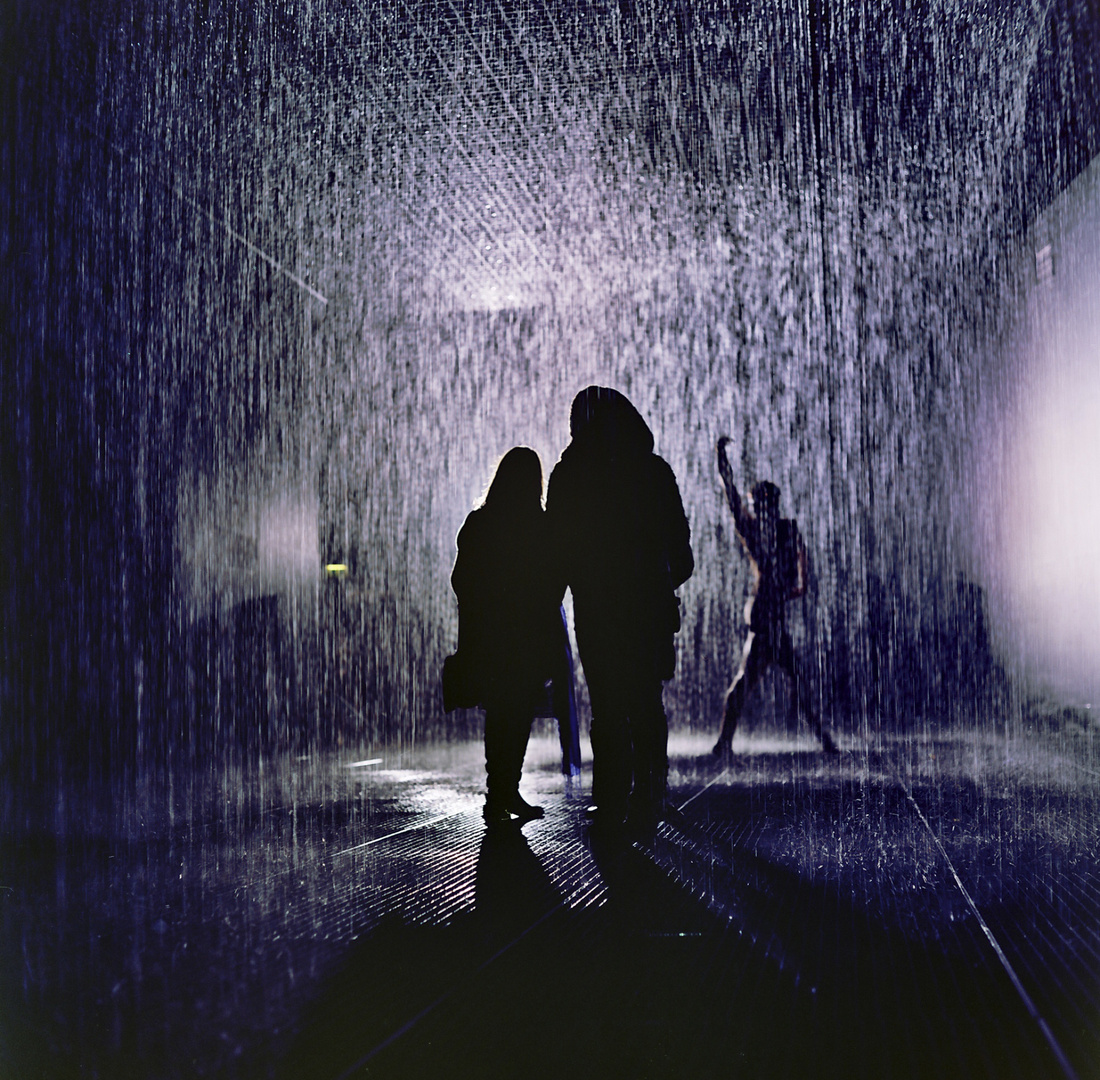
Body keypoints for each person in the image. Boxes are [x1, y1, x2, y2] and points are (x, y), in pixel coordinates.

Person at [546, 387, 694, 832]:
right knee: (647, 702)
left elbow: (558, 552)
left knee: (607, 705)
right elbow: (682, 555)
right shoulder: (653, 472)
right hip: (648, 610)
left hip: (595, 609)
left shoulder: (568, 475)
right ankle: (651, 792)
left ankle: (609, 797)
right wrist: (654, 582)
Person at [448, 447, 569, 827]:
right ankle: (504, 790)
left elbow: (461, 579)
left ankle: (499, 791)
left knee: (501, 713)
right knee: (517, 716)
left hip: (491, 638)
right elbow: (557, 577)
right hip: (528, 638)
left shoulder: (480, 522)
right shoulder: (542, 525)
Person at [711, 436, 838, 756]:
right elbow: (731, 496)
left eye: (765, 504)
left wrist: (801, 582)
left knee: (780, 682)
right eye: (760, 504)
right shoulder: (759, 530)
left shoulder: (783, 529)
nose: (763, 509)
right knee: (751, 682)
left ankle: (823, 740)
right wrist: (722, 459)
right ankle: (724, 743)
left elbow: (801, 555)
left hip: (771, 618)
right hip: (765, 617)